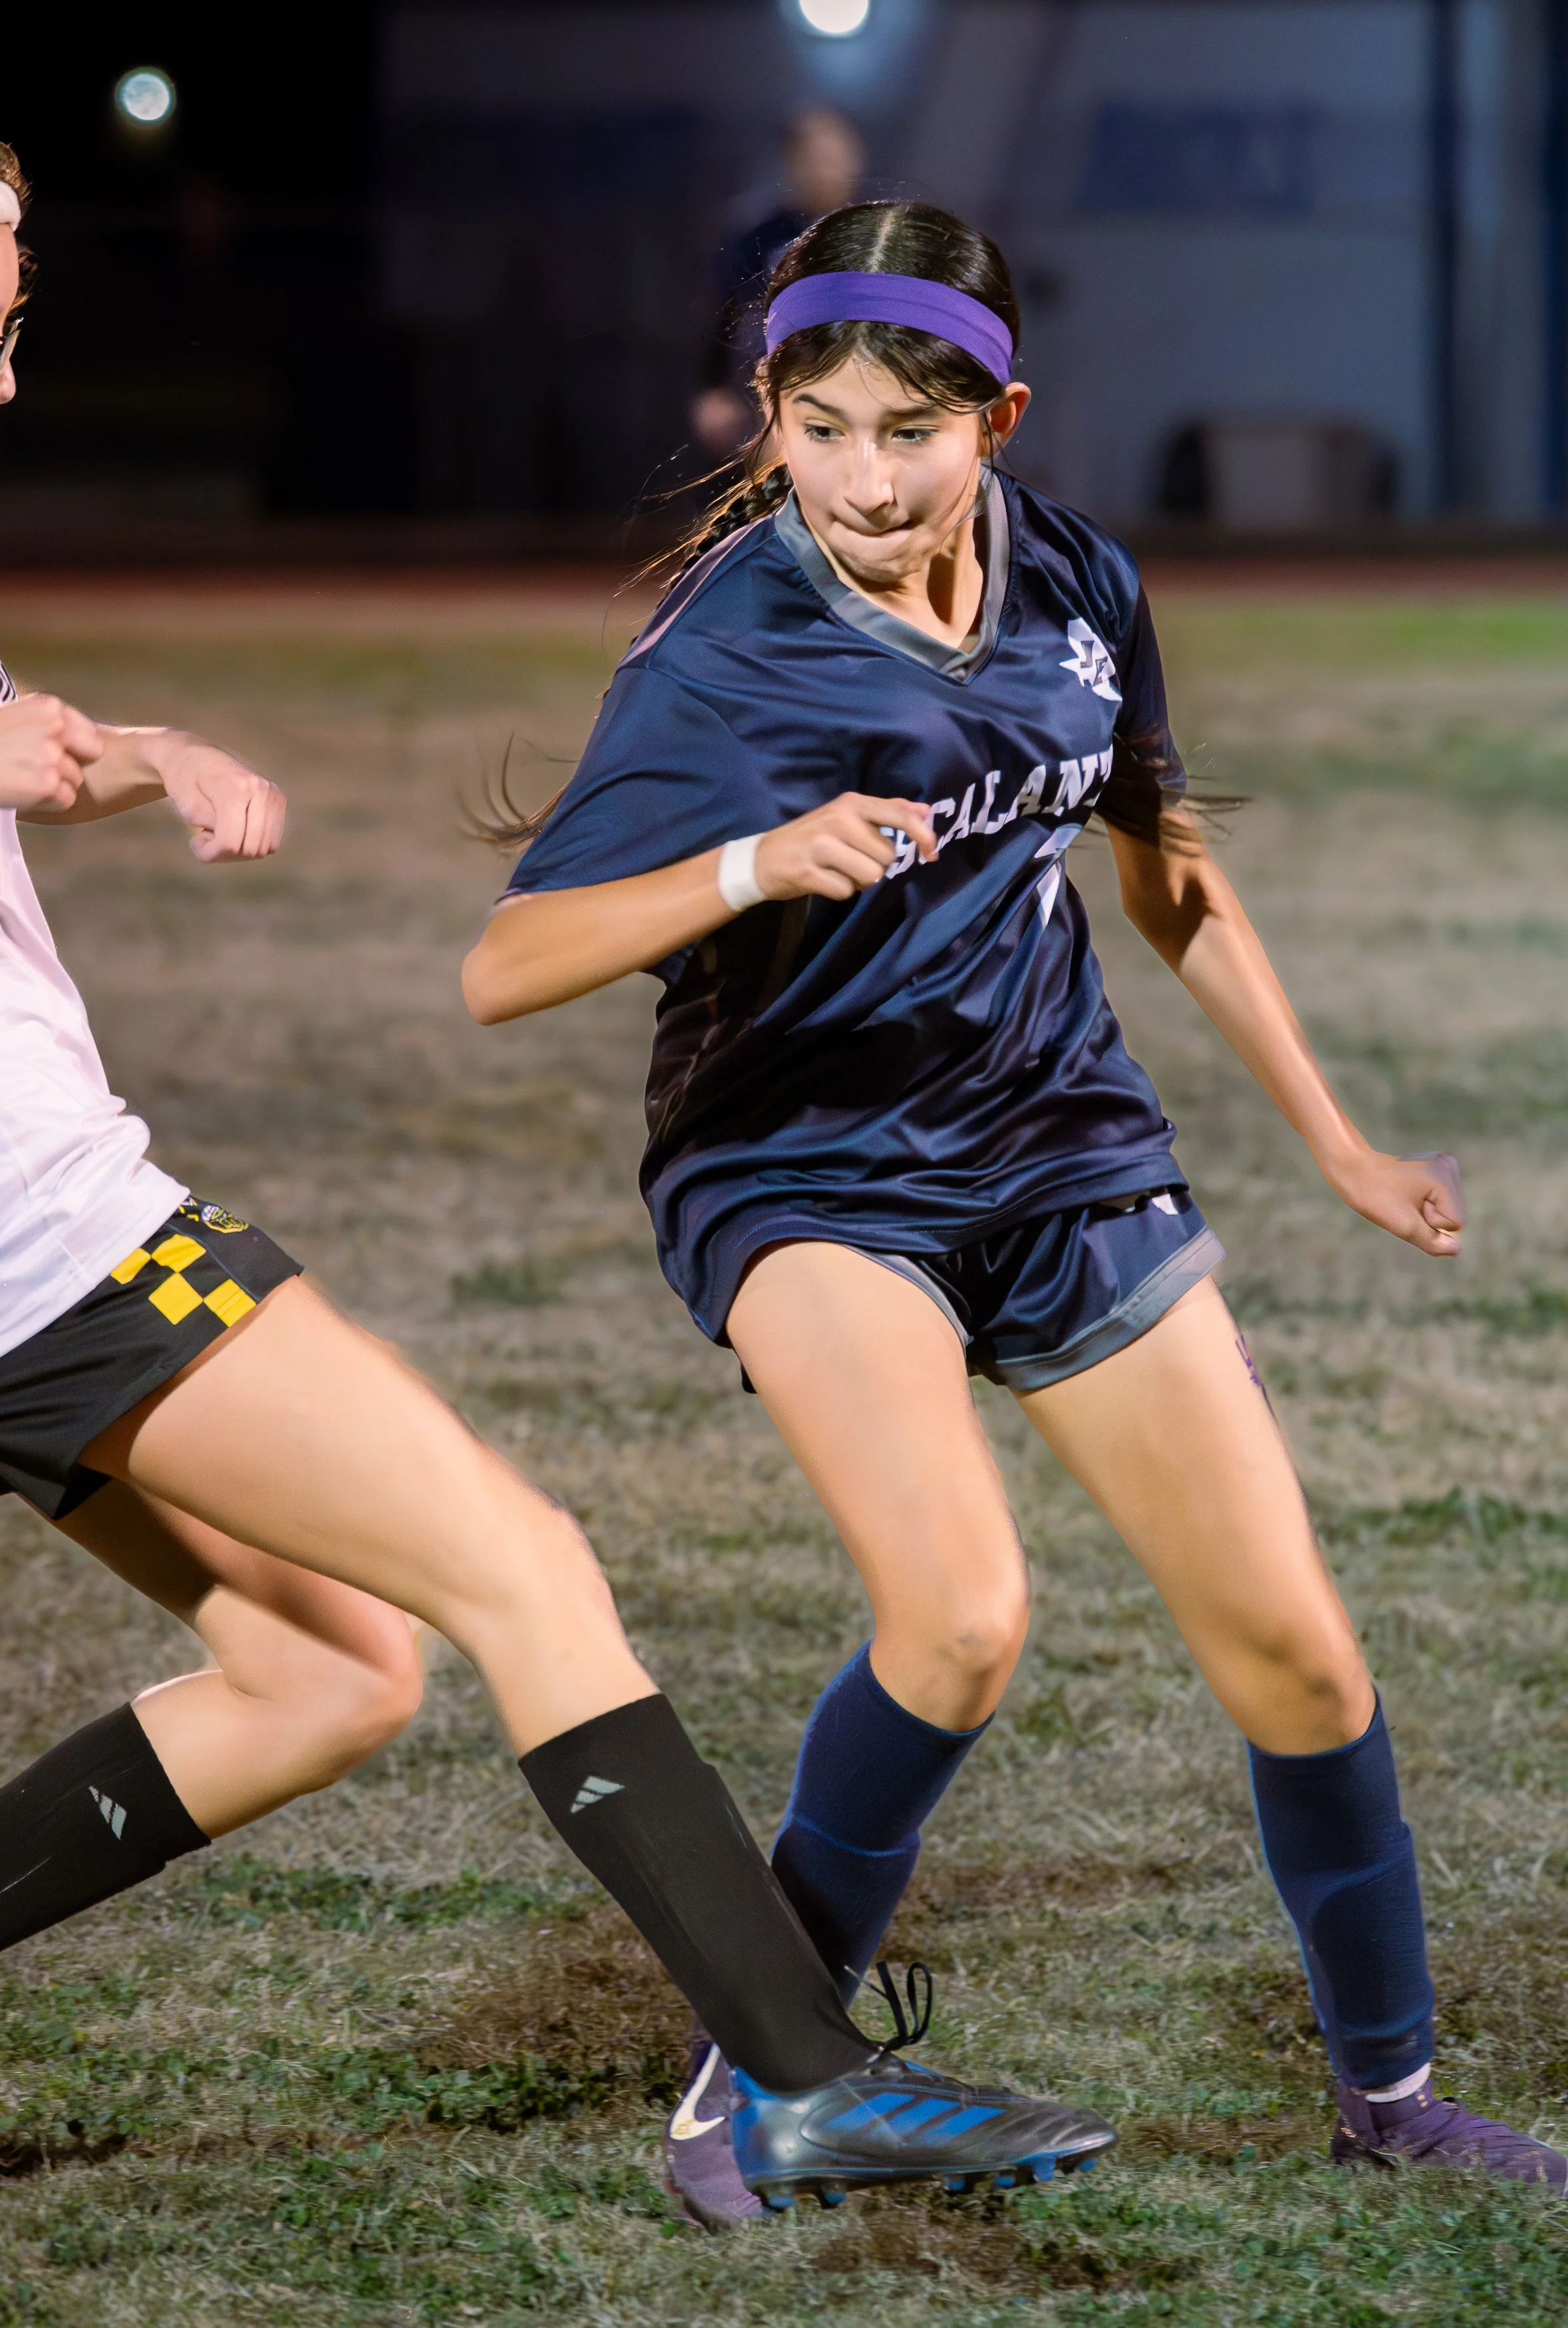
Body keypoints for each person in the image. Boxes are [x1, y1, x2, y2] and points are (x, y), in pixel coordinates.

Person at [0, 148, 1115, 2216]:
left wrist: (143, 749)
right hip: (46, 1246)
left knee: (330, 1671)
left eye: (9, 311)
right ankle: (796, 2079)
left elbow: (23, 741)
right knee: (520, 1568)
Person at [464, 197, 1568, 2228]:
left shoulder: (1075, 576)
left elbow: (1161, 863)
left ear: (996, 418)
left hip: (1058, 1140)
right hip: (802, 1161)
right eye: (818, 429)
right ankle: (758, 2080)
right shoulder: (727, 639)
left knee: (1297, 1656)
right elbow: (504, 962)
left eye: (908, 433)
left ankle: (1393, 2097)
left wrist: (1332, 1136)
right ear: (768, 416)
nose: (861, 480)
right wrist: (750, 866)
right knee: (962, 1617)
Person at [690, 108, 864, 458]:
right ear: (792, 162)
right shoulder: (760, 234)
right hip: (775, 386)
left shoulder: (871, 232)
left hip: (859, 383)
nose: (827, 170)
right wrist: (713, 388)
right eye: (815, 158)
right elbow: (723, 311)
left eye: (836, 158)